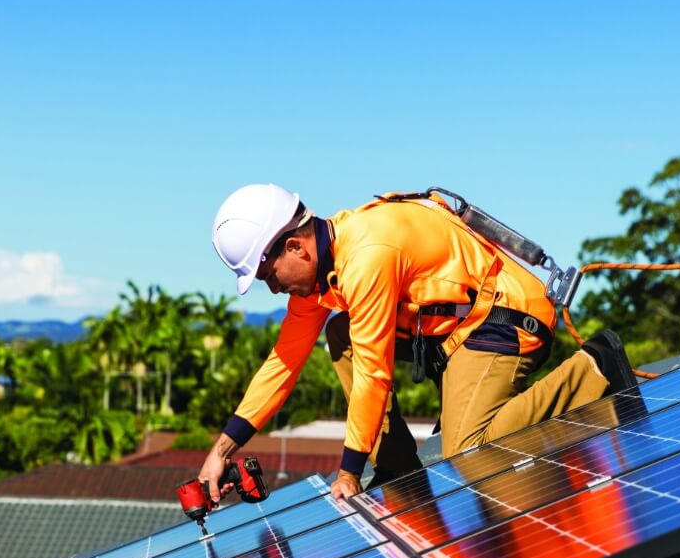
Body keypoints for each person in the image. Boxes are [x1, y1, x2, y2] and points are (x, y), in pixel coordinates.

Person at [197, 183, 637, 502]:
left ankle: (594, 368)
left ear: (296, 247)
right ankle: (396, 467)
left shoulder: (367, 255)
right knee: (340, 332)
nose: (273, 288)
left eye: (268, 275)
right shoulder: (324, 275)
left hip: (504, 318)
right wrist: (221, 451)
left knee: (469, 451)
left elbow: (373, 371)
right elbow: (283, 362)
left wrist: (349, 471)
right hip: (456, 334)